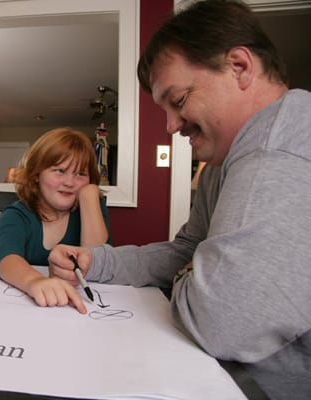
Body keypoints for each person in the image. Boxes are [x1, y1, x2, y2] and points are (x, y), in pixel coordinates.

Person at [48, 1, 311, 398]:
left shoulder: (276, 155)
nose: (171, 126)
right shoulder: (223, 162)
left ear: (239, 67)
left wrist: (197, 276)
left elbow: (222, 322)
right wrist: (98, 261)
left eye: (179, 100)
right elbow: (189, 248)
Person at [0, 127, 112, 314]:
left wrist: (90, 198)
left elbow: (98, 258)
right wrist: (35, 281)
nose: (70, 182)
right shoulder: (18, 214)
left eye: (80, 174)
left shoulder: (90, 208)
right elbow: (6, 258)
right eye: (59, 170)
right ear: (36, 175)